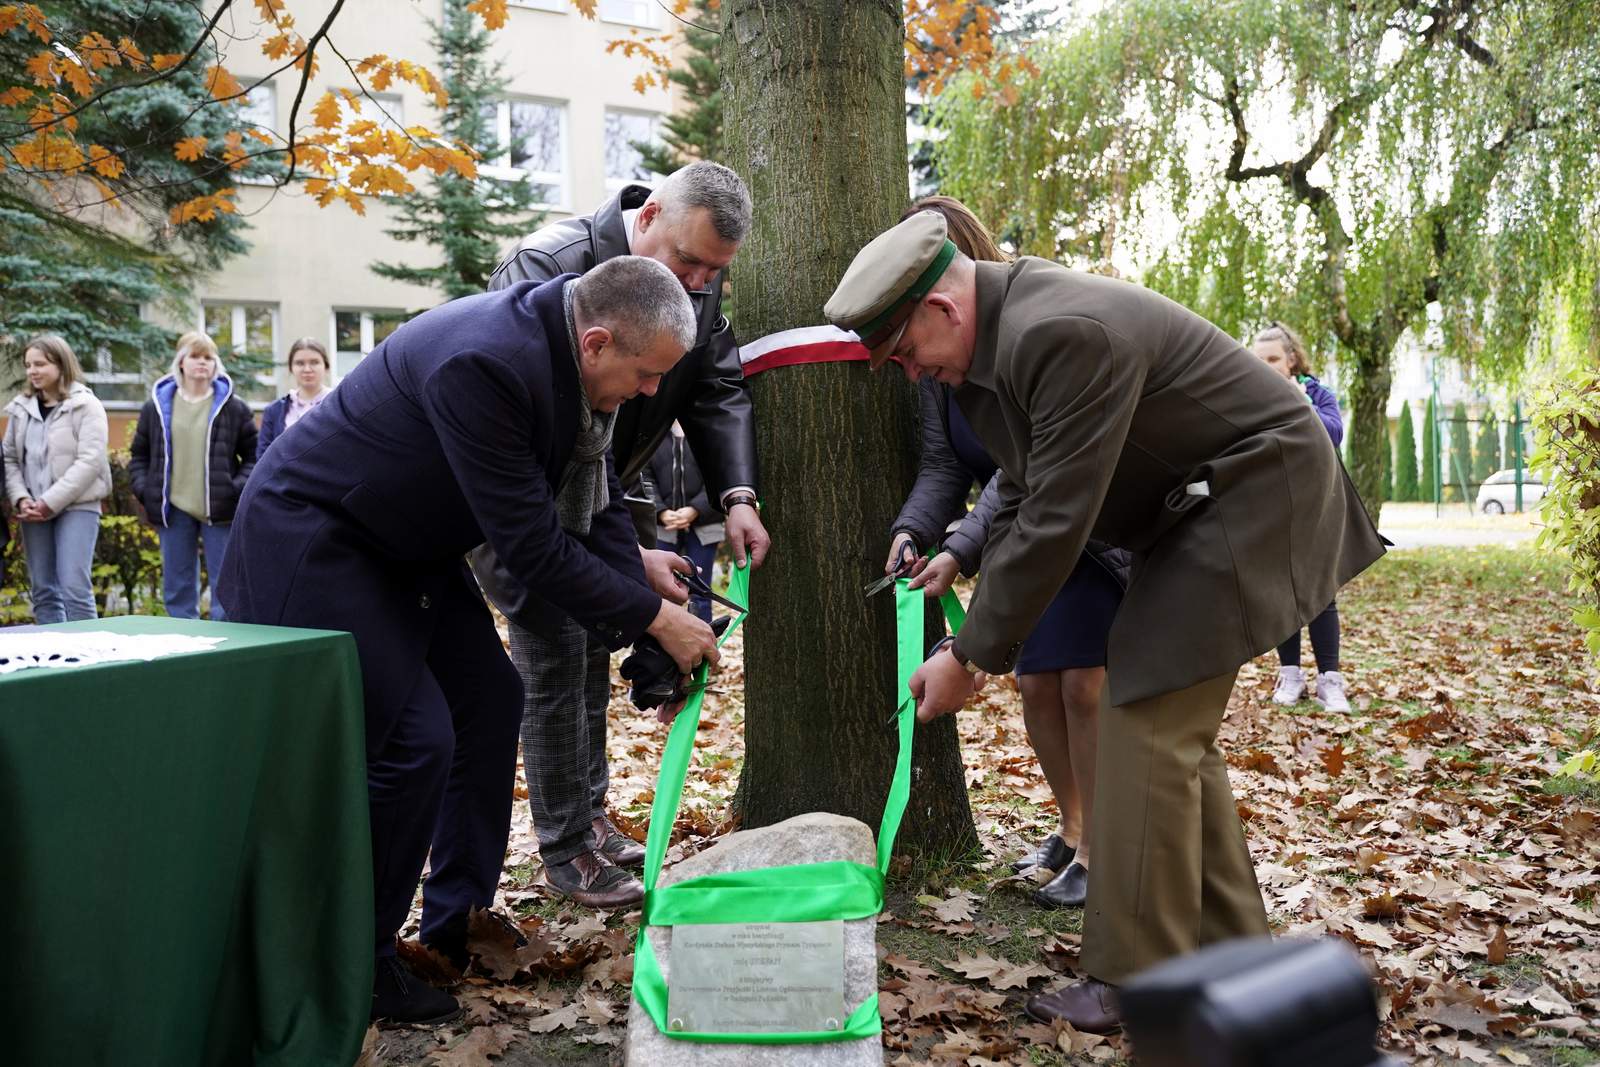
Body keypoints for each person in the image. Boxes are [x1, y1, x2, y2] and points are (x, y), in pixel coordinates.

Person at [825, 211, 1385, 1033]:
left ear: (942, 308)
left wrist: (972, 653)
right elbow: (1025, 482)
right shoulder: (997, 345)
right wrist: (966, 559)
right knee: (1171, 737)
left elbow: (1057, 515)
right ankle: (1235, 951)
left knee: (1145, 724)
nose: (910, 374)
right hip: (1196, 511)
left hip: (1255, 496)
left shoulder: (1060, 332)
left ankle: (1133, 977)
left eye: (905, 352)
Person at [218, 256, 718, 1024]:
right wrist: (652, 621)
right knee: (413, 741)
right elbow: (533, 546)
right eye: (648, 374)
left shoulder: (578, 366)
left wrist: (641, 590)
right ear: (597, 342)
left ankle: (456, 925)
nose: (653, 391)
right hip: (320, 534)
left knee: (493, 696)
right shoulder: (488, 362)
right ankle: (361, 962)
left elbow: (602, 497)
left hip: (405, 541)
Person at [471, 161, 771, 909]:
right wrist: (626, 568)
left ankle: (592, 817)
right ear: (650, 215)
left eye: (714, 271)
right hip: (519, 491)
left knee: (593, 644)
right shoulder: (546, 266)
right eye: (690, 261)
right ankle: (566, 845)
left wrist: (734, 494)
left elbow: (713, 387)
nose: (701, 283)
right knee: (553, 647)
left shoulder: (695, 283)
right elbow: (516, 423)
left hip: (598, 489)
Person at [884, 197, 1124, 909]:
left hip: (1077, 529)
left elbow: (1023, 470)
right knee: (1037, 686)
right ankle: (1073, 824)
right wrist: (914, 532)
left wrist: (959, 548)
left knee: (1085, 684)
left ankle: (1100, 848)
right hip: (1022, 538)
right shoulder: (934, 372)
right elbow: (944, 467)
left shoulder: (1021, 342)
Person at [1253, 321, 1350, 712]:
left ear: (1291, 360)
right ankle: (1290, 675)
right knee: (1283, 591)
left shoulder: (1317, 393)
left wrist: (1300, 403)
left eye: (1273, 358)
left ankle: (1330, 680)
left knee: (1321, 591)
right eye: (1259, 360)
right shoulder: (1248, 396)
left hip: (1316, 502)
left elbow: (1333, 433)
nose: (1266, 366)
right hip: (1273, 504)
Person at [128, 332, 256, 620]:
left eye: (208, 357)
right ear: (181, 362)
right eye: (195, 356)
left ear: (216, 365)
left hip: (220, 510)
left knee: (225, 588)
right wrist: (145, 489)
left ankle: (225, 649)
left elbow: (254, 457)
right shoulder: (156, 408)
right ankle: (184, 647)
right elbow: (139, 455)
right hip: (173, 510)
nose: (202, 363)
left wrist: (235, 489)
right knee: (177, 587)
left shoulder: (234, 408)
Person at [3, 335, 111, 623]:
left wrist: (49, 502)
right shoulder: (20, 408)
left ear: (61, 364)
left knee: (74, 589)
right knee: (43, 591)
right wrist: (22, 498)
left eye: (40, 364)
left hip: (77, 507)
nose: (32, 371)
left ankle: (91, 659)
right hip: (33, 512)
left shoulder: (86, 405)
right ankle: (55, 660)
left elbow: (90, 460)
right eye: (28, 365)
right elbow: (10, 459)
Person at [648, 421, 723, 623]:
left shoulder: (709, 432)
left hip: (705, 526)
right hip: (663, 526)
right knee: (660, 591)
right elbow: (643, 476)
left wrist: (695, 509)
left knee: (700, 593)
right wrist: (661, 511)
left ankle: (704, 649)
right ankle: (655, 648)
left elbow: (719, 475)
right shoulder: (652, 432)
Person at [257, 337, 333, 461]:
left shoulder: (338, 405)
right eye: (300, 363)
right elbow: (263, 457)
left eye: (314, 362)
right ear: (291, 368)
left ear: (326, 366)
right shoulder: (274, 410)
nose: (307, 369)